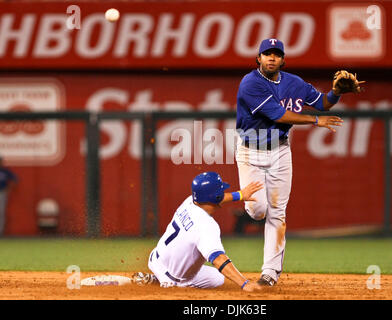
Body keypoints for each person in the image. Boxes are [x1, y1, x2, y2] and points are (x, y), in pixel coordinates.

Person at [235, 38, 364, 286]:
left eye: (276, 54)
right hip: (251, 152)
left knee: (277, 214)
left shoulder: (294, 82)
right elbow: (279, 115)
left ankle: (270, 273)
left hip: (280, 152)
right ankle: (250, 210)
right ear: (258, 58)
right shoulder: (250, 83)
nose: (271, 58)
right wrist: (316, 121)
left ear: (283, 59)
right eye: (266, 54)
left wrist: (336, 92)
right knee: (258, 210)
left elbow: (322, 103)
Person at [132, 172, 264, 292]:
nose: (223, 193)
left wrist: (240, 195)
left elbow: (215, 197)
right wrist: (244, 283)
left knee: (216, 277)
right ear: (216, 196)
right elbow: (218, 259)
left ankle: (155, 277)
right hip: (173, 278)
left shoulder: (190, 201)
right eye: (221, 191)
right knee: (217, 278)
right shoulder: (207, 226)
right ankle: (163, 281)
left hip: (156, 259)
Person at [0, 156, 18, 236]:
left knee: (1, 212)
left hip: (2, 193)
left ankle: (1, 231)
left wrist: (8, 188)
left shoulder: (5, 171)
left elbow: (15, 179)